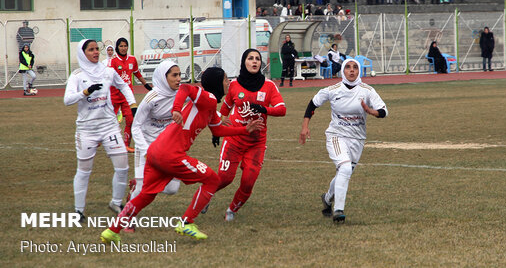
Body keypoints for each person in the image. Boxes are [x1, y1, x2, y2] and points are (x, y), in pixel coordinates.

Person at [100, 67, 263, 244]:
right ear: (217, 82)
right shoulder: (206, 97)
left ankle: (112, 231)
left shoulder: (209, 106)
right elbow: (185, 88)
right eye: (225, 78)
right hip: (170, 153)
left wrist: (244, 129)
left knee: (147, 194)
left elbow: (218, 129)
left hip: (156, 151)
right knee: (212, 180)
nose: (228, 82)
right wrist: (176, 109)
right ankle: (187, 222)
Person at [299, 58, 388, 223]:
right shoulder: (333, 90)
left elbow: (384, 111)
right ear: (342, 71)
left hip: (358, 139)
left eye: (355, 67)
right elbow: (312, 104)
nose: (352, 70)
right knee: (345, 168)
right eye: (348, 67)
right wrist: (305, 126)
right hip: (336, 135)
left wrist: (370, 111)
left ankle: (327, 199)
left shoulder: (367, 90)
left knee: (345, 172)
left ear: (359, 70)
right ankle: (338, 210)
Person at [65, 39, 137, 222]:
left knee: (123, 167)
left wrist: (133, 104)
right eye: (91, 50)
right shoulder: (76, 75)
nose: (96, 52)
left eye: (97, 49)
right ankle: (78, 211)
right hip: (87, 130)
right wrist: (85, 92)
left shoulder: (108, 71)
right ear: (83, 53)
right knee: (84, 170)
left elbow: (124, 86)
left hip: (109, 126)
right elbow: (67, 100)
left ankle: (115, 202)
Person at [214, 49, 287, 221]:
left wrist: (264, 109)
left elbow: (282, 110)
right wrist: (217, 130)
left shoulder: (269, 86)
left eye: (257, 59)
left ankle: (232, 210)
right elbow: (223, 110)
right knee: (224, 178)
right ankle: (206, 195)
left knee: (248, 182)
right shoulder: (233, 85)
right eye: (250, 58)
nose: (254, 61)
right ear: (244, 62)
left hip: (256, 143)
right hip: (234, 140)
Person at [127, 61, 182, 216]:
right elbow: (136, 126)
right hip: (145, 144)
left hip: (166, 147)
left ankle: (143, 184)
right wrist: (145, 150)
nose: (179, 79)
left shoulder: (181, 94)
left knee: (172, 189)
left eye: (180, 75)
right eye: (174, 75)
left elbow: (201, 104)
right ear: (164, 77)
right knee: (141, 188)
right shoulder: (152, 97)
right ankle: (127, 221)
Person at [109, 38, 152, 152]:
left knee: (131, 120)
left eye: (125, 46)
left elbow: (137, 73)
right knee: (109, 121)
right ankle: (105, 141)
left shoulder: (132, 59)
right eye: (121, 46)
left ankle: (126, 145)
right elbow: (107, 77)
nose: (123, 48)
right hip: (114, 96)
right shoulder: (113, 61)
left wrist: (146, 85)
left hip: (128, 97)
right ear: (117, 47)